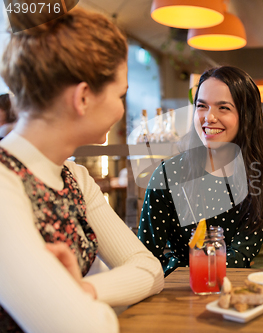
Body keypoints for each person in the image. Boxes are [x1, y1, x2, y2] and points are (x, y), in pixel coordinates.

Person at [0, 4, 163, 333]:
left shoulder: (75, 179)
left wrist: (84, 291)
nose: (121, 108)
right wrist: (84, 304)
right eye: (121, 95)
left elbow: (150, 269)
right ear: (84, 98)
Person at [139, 66, 263, 276]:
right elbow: (145, 255)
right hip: (174, 288)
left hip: (229, 286)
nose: (209, 117)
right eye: (202, 106)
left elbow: (241, 255)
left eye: (223, 108)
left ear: (248, 116)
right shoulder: (167, 175)